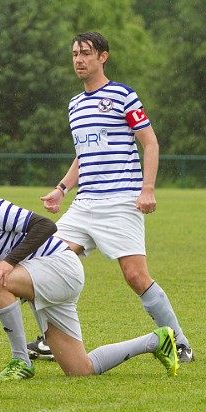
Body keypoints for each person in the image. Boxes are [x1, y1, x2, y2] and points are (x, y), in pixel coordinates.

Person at [35, 31, 193, 363]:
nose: (79, 59)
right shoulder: (75, 105)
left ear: (102, 57)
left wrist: (147, 189)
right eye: (75, 54)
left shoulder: (123, 95)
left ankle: (179, 342)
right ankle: (52, 339)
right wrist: (61, 189)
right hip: (84, 203)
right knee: (46, 261)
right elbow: (84, 155)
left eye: (86, 53)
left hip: (121, 200)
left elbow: (149, 142)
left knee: (135, 275)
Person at [0, 182, 178, 379]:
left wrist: (7, 262)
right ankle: (156, 341)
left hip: (61, 266)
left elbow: (46, 226)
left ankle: (21, 362)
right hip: (41, 287)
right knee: (80, 370)